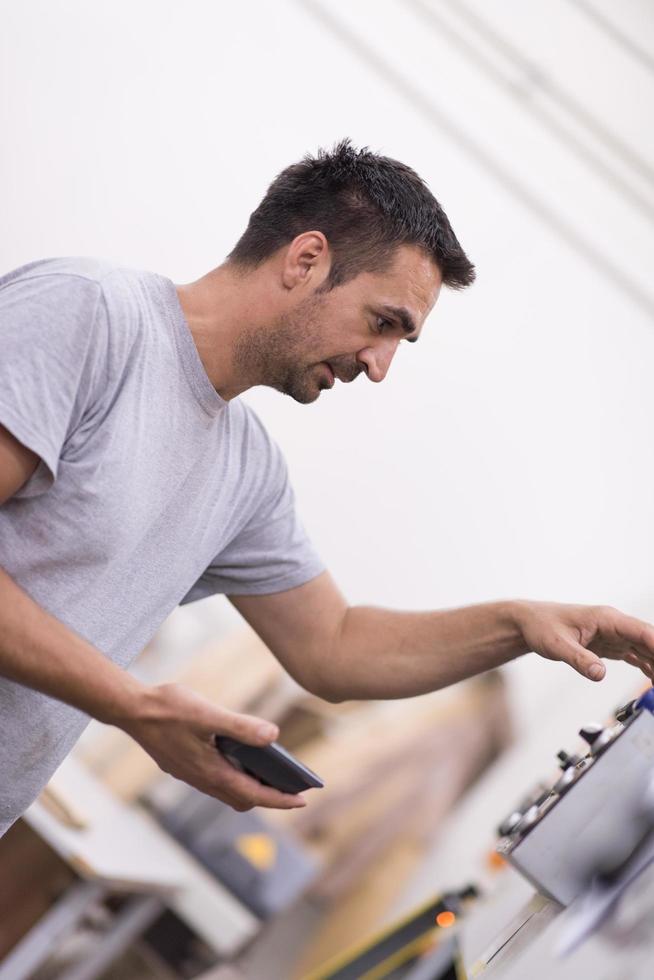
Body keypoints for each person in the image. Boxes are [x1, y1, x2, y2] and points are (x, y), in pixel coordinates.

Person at [1, 140, 653, 837]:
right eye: (383, 323)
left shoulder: (245, 471)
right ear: (305, 260)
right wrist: (134, 705)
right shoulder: (90, 314)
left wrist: (518, 623)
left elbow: (336, 648)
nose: (380, 367)